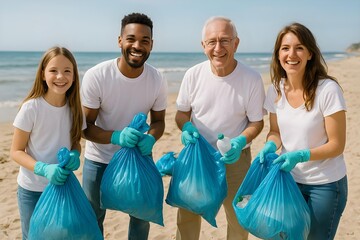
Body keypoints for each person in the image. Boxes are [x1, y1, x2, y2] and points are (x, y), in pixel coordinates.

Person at [175, 16, 266, 240]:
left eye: (225, 40)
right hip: (198, 157)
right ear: (203, 46)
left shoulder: (252, 79)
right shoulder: (193, 75)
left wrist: (240, 142)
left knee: (238, 218)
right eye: (212, 41)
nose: (218, 48)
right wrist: (186, 127)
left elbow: (257, 122)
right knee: (187, 215)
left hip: (236, 159)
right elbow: (181, 113)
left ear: (236, 43)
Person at [80, 12, 167, 239]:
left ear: (151, 45)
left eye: (144, 41)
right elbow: (85, 127)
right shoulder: (97, 76)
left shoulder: (157, 79)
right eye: (130, 39)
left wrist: (151, 138)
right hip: (99, 160)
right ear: (120, 40)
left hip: (139, 159)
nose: (137, 45)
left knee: (141, 218)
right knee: (93, 218)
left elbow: (158, 121)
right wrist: (116, 137)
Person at [257, 22, 347, 240]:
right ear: (278, 55)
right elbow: (275, 131)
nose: (291, 54)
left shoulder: (328, 90)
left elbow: (337, 145)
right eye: (285, 48)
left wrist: (301, 155)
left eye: (299, 48)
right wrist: (270, 145)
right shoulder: (276, 88)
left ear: (310, 54)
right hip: (288, 181)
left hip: (325, 185)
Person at [10, 46, 84, 239]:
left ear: (74, 76)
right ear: (43, 74)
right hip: (32, 189)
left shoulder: (75, 109)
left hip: (62, 187)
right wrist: (43, 169)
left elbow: (75, 141)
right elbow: (16, 151)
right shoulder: (31, 108)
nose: (61, 76)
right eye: (53, 70)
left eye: (67, 71)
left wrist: (75, 154)